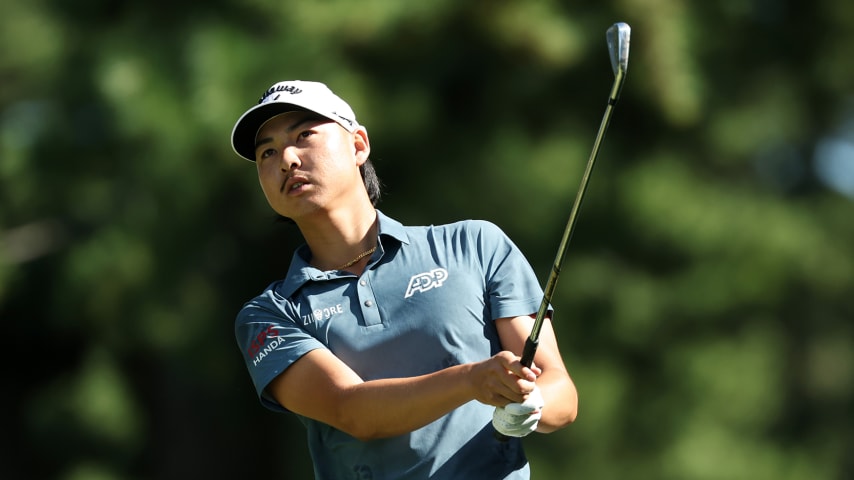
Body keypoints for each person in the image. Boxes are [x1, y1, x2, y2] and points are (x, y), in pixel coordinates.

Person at [231, 80, 578, 479]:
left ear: (358, 145)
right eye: (267, 153)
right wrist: (472, 380)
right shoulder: (269, 315)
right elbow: (352, 411)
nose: (287, 159)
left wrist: (530, 401)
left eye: (304, 135)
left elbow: (560, 394)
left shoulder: (474, 245)